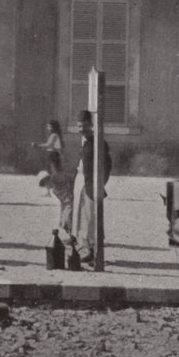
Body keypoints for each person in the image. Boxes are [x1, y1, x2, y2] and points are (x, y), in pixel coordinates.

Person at [71, 110, 111, 264]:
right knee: (83, 218)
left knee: (91, 220)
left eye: (84, 126)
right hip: (84, 184)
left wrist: (100, 184)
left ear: (92, 125)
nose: (81, 129)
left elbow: (107, 166)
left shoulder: (98, 142)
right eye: (79, 126)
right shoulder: (87, 141)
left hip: (92, 186)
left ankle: (90, 251)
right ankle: (85, 248)